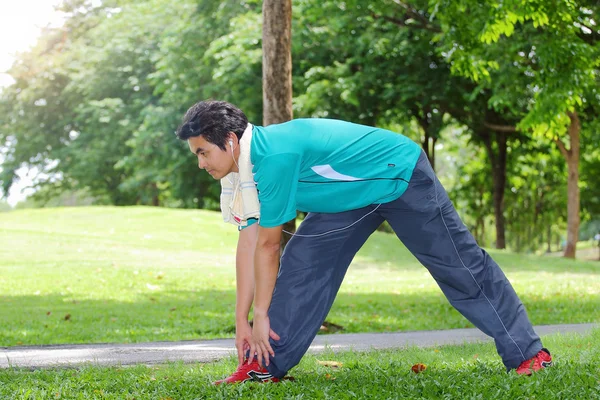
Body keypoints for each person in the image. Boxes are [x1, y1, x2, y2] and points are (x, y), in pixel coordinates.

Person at [175, 100, 552, 384]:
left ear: (229, 140)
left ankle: (529, 355)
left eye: (203, 152)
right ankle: (264, 365)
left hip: (397, 176)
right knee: (304, 263)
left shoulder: (272, 157)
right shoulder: (238, 171)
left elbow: (268, 247)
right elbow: (249, 242)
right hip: (346, 198)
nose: (201, 163)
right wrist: (242, 317)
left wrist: (261, 315)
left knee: (459, 266)